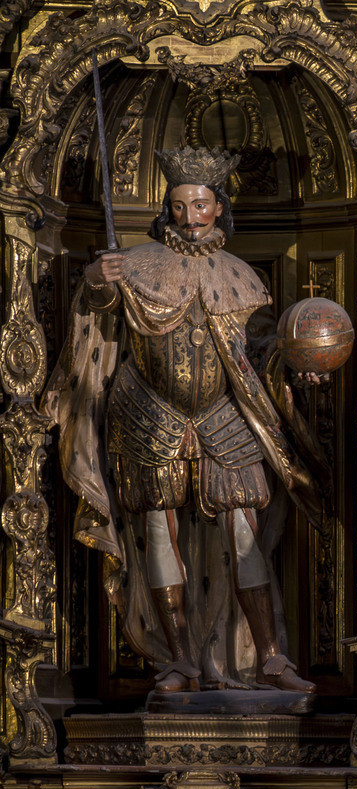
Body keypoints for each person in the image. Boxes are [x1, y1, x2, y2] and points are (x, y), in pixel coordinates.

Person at [48, 145, 323, 692]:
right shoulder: (139, 264)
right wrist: (98, 280)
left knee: (243, 529)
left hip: (225, 414)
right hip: (148, 411)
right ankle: (178, 659)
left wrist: (298, 366)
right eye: (178, 208)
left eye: (199, 207)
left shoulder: (241, 275)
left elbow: (258, 350)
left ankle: (270, 655)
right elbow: (97, 312)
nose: (189, 219)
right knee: (156, 530)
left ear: (218, 207)